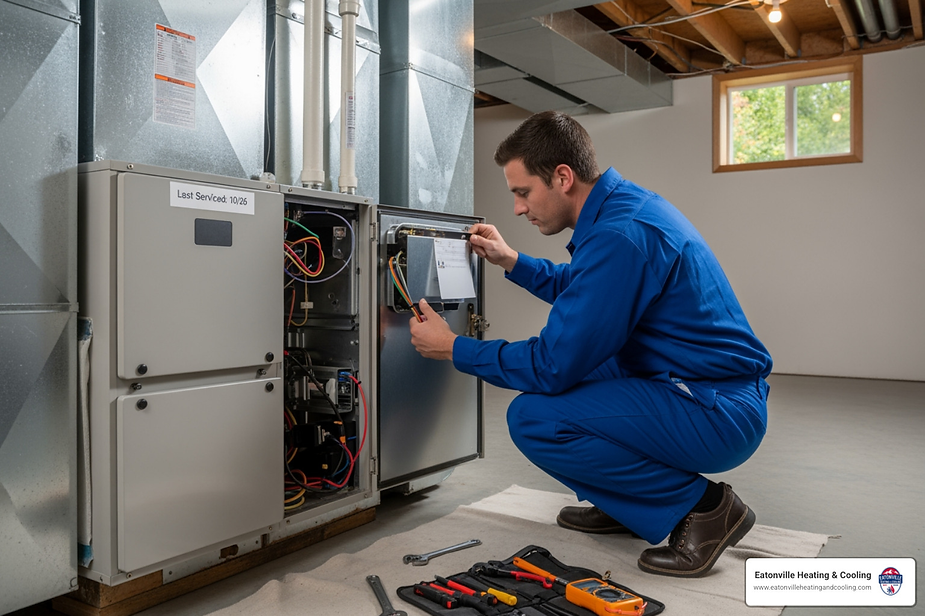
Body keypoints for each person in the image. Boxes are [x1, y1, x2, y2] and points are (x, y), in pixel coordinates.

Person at [408, 110, 771, 578]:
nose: (518, 208)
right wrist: (512, 260)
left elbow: (551, 364)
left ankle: (705, 509)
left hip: (714, 409)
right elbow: (590, 292)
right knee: (571, 382)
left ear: (562, 177)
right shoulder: (621, 210)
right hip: (695, 385)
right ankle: (626, 504)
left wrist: (454, 348)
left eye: (522, 192)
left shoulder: (621, 235)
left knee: (535, 417)